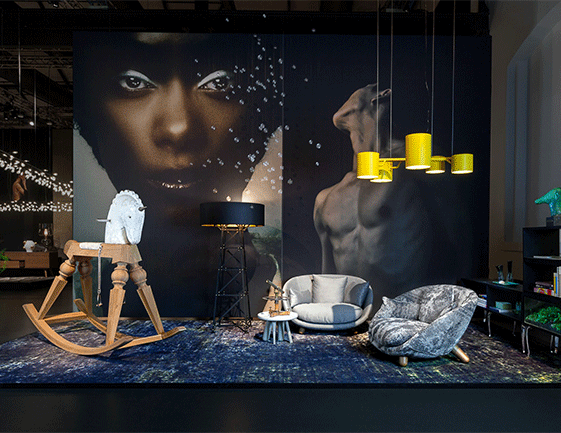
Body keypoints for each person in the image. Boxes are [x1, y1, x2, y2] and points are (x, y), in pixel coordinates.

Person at [73, 32, 281, 318]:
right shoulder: (92, 272)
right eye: (133, 82)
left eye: (219, 83)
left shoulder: (277, 267)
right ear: (91, 115)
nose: (178, 128)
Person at [313, 83, 436, 303]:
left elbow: (457, 239)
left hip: (400, 308)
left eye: (371, 87)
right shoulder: (325, 199)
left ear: (384, 95)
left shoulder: (415, 169)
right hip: (350, 310)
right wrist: (323, 309)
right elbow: (326, 272)